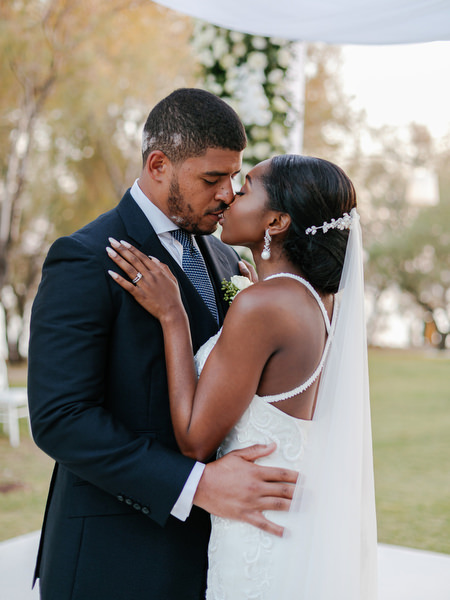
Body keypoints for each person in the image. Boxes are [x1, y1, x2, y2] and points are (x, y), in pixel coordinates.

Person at [27, 89, 298, 600]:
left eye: (234, 178)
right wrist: (197, 485)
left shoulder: (224, 259)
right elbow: (61, 418)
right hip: (115, 560)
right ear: (158, 165)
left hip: (213, 557)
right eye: (212, 179)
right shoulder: (85, 258)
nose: (227, 194)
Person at [107, 154, 378, 599]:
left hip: (256, 539)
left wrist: (173, 316)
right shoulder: (319, 302)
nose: (231, 195)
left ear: (276, 221)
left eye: (247, 186)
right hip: (291, 526)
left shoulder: (264, 306)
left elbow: (195, 440)